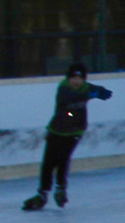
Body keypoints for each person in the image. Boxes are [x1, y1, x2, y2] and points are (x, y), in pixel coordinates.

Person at [23, 62, 112, 211]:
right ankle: (43, 193)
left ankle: (60, 188)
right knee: (48, 162)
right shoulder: (64, 88)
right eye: (73, 78)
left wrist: (101, 92)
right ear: (68, 78)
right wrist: (91, 94)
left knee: (63, 158)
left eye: (79, 78)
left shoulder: (86, 88)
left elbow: (98, 91)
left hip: (74, 132)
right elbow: (70, 98)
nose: (76, 81)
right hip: (56, 130)